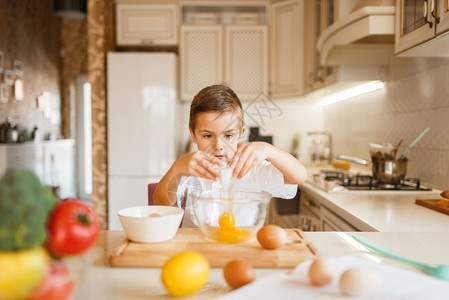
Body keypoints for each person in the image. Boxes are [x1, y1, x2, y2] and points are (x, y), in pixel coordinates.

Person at [153, 84, 307, 227]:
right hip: (196, 250)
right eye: (207, 136)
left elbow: (299, 176)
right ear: (193, 134)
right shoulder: (189, 169)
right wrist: (176, 169)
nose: (218, 146)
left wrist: (269, 150)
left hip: (242, 247)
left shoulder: (253, 168)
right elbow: (161, 206)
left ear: (240, 133)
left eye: (228, 136)